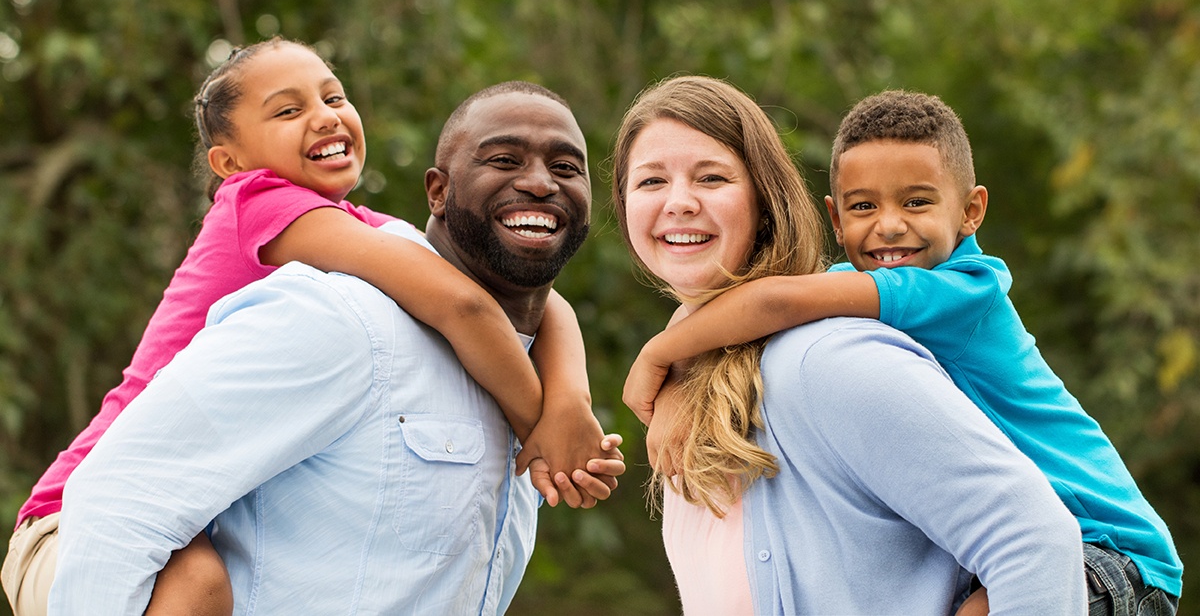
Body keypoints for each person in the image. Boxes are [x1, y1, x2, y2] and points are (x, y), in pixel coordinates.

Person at [3, 37, 614, 614]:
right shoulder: (260, 204)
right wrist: (544, 430)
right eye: (288, 110)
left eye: (333, 97)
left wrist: (571, 404)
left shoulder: (357, 228)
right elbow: (467, 307)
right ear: (230, 161)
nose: (324, 117)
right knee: (197, 588)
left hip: (169, 506)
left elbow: (536, 301)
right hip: (72, 510)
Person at [622, 88, 1182, 614]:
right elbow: (742, 313)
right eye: (863, 207)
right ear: (836, 220)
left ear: (970, 211)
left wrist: (657, 356)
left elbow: (770, 301)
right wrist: (679, 382)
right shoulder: (852, 293)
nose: (889, 227)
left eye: (916, 201)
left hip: (1113, 552)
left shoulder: (963, 288)